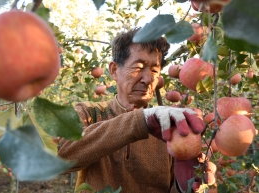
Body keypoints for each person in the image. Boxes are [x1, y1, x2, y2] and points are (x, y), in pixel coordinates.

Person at [57, 28, 205, 193]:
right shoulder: (90, 113)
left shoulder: (166, 127)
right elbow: (60, 156)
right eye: (139, 67)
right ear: (114, 70)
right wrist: (141, 121)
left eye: (155, 71)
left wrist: (184, 185)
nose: (148, 79)